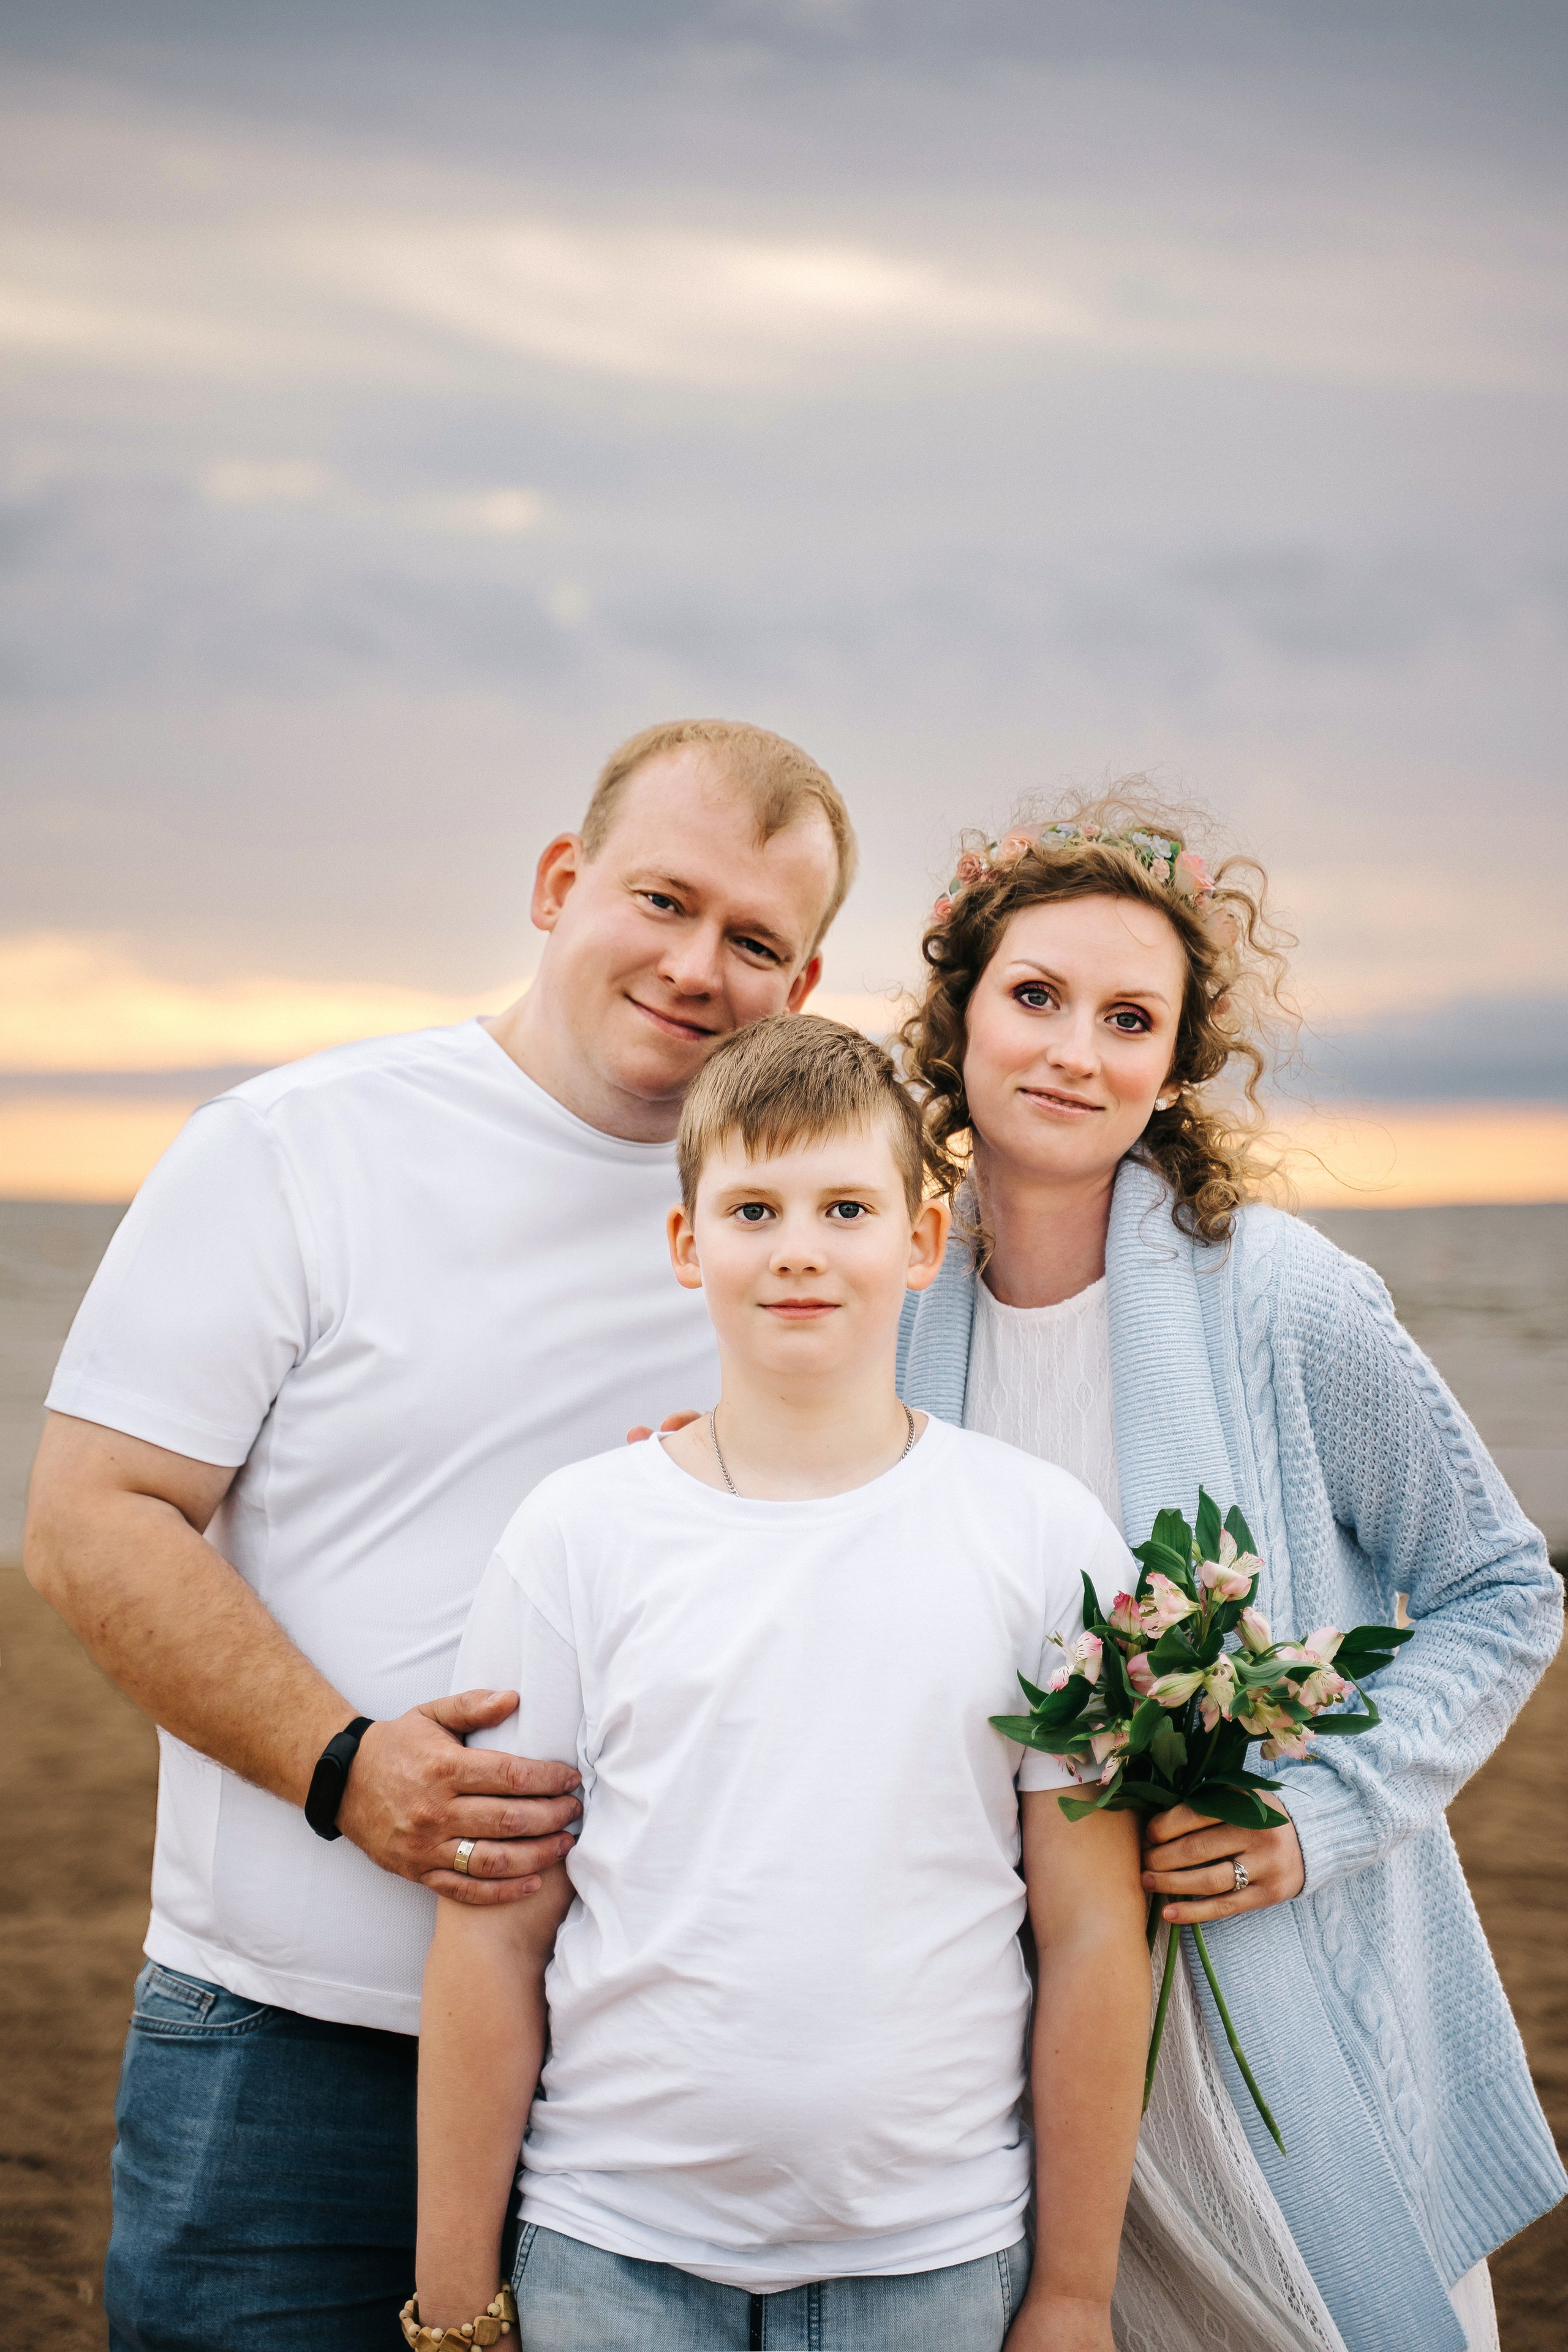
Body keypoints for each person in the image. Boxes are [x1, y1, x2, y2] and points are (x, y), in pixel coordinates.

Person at [22, 718, 854, 2352]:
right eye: (663, 900)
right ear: (561, 884)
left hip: (643, 2073)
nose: (698, 966)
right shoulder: (300, 1147)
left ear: (804, 984)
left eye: (755, 940)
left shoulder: (798, 1220)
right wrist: (348, 1767)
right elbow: (90, 1516)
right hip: (287, 2051)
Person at [894, 797, 1566, 2352]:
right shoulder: (892, 1296)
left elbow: (1497, 1586)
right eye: (1036, 996)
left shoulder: (1280, 1296)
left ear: (1175, 1068)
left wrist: (1315, 1816)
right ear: (960, 1016)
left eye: (1129, 1019)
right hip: (999, 2036)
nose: (1074, 1049)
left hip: (1273, 1995)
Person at [412, 1014, 1150, 2352]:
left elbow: (1092, 1933)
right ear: (689, 1242)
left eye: (846, 1207)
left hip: (934, 2256)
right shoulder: (576, 1535)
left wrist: (1074, 2292)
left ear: (921, 1241)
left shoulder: (1041, 1536)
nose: (799, 1247)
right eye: (752, 1207)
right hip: (608, 2247)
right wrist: (457, 2301)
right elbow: (494, 1932)